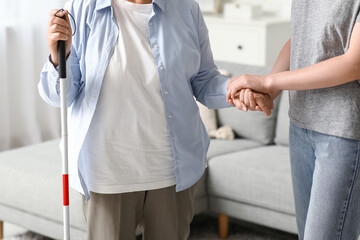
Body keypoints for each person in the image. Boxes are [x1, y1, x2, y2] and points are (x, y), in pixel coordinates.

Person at [39, 0, 273, 239]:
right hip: (107, 174)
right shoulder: (81, 8)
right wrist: (60, 56)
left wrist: (235, 90)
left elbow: (204, 80)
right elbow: (60, 96)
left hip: (171, 171)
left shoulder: (186, 8)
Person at [227, 1, 360, 239]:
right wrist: (269, 92)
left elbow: (354, 64)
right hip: (300, 124)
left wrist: (268, 83)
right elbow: (298, 39)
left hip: (342, 133)